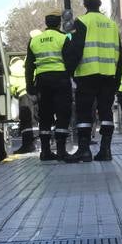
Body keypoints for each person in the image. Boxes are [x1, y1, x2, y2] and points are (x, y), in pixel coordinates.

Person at [63, 0, 122, 163]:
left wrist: (70, 72)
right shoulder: (112, 25)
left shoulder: (81, 22)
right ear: (100, 3)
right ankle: (106, 150)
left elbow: (74, 49)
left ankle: (84, 150)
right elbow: (119, 53)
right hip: (109, 75)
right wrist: (117, 79)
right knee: (106, 112)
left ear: (85, 5)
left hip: (87, 75)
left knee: (84, 113)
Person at [25, 13, 73, 162]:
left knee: (45, 116)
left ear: (46, 23)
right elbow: (70, 61)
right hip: (60, 80)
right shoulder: (64, 38)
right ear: (59, 23)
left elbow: (29, 66)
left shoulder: (34, 40)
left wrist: (29, 85)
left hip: (42, 81)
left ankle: (45, 151)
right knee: (63, 114)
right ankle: (61, 150)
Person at [9, 51, 37, 154]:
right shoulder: (26, 64)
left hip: (23, 94)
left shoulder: (12, 69)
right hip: (34, 93)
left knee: (26, 121)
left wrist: (13, 94)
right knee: (35, 119)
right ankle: (38, 143)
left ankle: (27, 145)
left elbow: (11, 85)